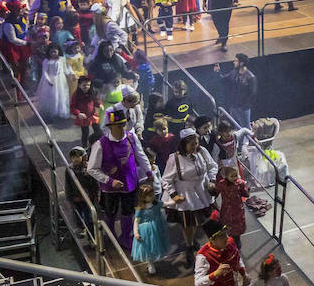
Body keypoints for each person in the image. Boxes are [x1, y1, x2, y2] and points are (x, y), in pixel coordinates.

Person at [86, 107, 149, 254]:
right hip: (110, 188)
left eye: (123, 124)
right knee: (110, 212)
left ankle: (126, 237)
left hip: (130, 182)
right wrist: (109, 181)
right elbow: (91, 169)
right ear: (110, 126)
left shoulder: (131, 138)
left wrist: (148, 172)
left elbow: (141, 156)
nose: (122, 128)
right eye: (119, 125)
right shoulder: (100, 144)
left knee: (128, 211)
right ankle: (110, 236)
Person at [161, 126, 219, 265]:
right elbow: (166, 180)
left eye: (196, 143)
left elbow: (212, 166)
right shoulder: (174, 159)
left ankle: (211, 245)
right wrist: (174, 195)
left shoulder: (203, 152)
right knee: (188, 224)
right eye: (192, 144)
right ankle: (189, 246)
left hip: (203, 192)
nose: (195, 146)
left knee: (205, 219)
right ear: (183, 144)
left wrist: (211, 180)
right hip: (186, 196)